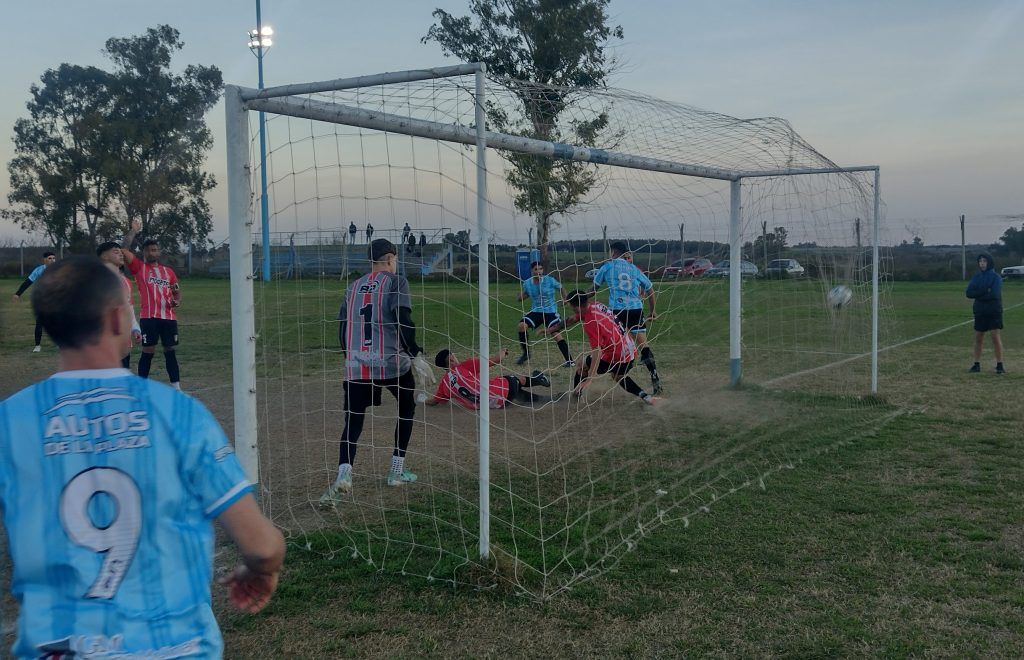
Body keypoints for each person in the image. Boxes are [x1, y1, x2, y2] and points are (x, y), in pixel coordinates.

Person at [0, 256, 285, 659]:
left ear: (50, 326)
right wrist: (262, 570)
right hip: (175, 648)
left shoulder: (10, 422)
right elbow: (262, 546)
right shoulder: (180, 413)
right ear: (117, 319)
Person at [320, 239, 436, 505]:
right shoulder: (396, 282)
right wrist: (415, 353)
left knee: (353, 420)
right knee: (406, 408)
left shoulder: (352, 287)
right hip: (391, 361)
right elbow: (402, 318)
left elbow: (342, 329)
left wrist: (349, 356)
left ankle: (344, 475)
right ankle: (396, 471)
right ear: (391, 258)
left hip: (358, 364)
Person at [591, 241, 662, 394]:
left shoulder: (607, 266)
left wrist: (579, 297)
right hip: (636, 309)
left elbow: (593, 289)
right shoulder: (633, 268)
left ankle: (610, 369)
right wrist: (653, 311)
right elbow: (650, 289)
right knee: (643, 345)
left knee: (613, 344)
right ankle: (654, 376)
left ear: (613, 252)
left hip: (617, 311)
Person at [565, 289, 658, 405]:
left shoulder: (591, 321)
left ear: (576, 307)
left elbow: (597, 351)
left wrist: (589, 379)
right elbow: (573, 319)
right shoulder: (597, 305)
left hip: (615, 353)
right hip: (629, 348)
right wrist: (552, 329)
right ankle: (647, 397)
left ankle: (576, 398)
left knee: (582, 365)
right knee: (618, 376)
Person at [122, 221, 183, 389]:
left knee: (170, 351)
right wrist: (133, 230)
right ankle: (142, 387)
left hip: (168, 318)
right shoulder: (139, 268)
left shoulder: (168, 272)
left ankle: (176, 388)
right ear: (144, 252)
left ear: (159, 252)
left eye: (155, 250)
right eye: (148, 250)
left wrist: (177, 301)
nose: (152, 252)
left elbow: (176, 292)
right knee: (147, 352)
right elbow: (124, 250)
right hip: (149, 318)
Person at [426, 347, 551, 409]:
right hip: (506, 389)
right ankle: (538, 379)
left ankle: (544, 398)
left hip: (498, 404)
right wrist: (503, 351)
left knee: (515, 393)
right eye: (454, 355)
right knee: (515, 380)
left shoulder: (444, 384)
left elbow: (434, 401)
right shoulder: (463, 366)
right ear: (451, 358)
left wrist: (424, 401)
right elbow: (496, 360)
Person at [516, 261, 574, 367]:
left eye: (541, 269)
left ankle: (569, 361)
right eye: (536, 269)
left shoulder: (550, 280)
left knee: (555, 333)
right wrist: (520, 297)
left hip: (551, 312)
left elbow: (561, 287)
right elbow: (525, 295)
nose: (539, 271)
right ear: (532, 271)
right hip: (536, 311)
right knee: (521, 326)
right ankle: (526, 354)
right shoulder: (527, 283)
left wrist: (565, 299)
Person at [97, 241, 142, 369]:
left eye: (121, 252)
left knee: (122, 376)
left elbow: (129, 308)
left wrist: (135, 328)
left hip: (123, 342)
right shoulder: (96, 279)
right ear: (104, 256)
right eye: (116, 252)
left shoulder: (126, 281)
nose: (121, 255)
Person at [966, 252, 1005, 374]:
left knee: (995, 337)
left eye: (984, 261)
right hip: (980, 311)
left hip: (993, 311)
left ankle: (999, 365)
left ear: (989, 262)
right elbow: (969, 293)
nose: (982, 263)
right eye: (980, 261)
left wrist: (979, 294)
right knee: (978, 337)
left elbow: (994, 294)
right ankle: (976, 364)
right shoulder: (976, 277)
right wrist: (984, 291)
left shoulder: (996, 277)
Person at [11, 250, 56, 352]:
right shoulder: (39, 270)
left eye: (54, 258)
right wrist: (18, 294)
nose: (52, 260)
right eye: (50, 258)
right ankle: (37, 346)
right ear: (44, 260)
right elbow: (28, 282)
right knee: (39, 322)